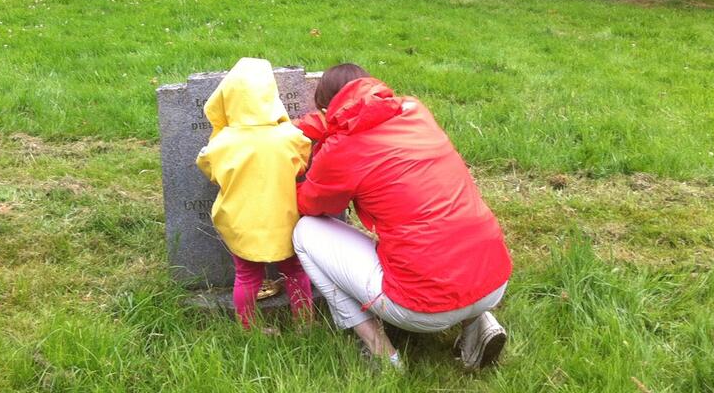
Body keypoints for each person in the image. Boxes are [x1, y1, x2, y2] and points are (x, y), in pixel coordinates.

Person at [290, 64, 512, 372]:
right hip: (494, 280)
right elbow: (362, 117)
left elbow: (309, 204)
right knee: (438, 225)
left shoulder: (341, 149)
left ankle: (380, 353)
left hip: (424, 308)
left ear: (329, 107)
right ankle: (479, 323)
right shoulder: (414, 110)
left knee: (305, 232)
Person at [197, 58, 314, 331]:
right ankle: (305, 324)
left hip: (241, 222)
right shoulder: (289, 137)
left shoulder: (223, 142)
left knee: (247, 275)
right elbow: (302, 164)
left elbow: (208, 168)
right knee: (295, 271)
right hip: (285, 219)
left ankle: (248, 328)